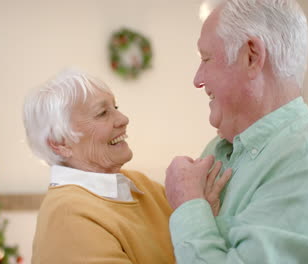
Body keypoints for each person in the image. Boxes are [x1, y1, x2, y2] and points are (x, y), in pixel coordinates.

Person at [165, 0, 308, 263]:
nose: (197, 79)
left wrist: (189, 205)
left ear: (252, 56)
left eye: (206, 59)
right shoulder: (218, 150)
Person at [23, 68, 229, 264]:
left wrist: (201, 215)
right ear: (60, 143)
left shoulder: (139, 184)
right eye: (102, 113)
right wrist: (195, 218)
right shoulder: (67, 217)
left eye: (116, 108)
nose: (123, 119)